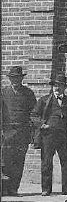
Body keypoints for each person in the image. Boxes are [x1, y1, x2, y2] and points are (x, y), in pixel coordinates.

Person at [32, 72, 67, 196]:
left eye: (60, 85)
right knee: (46, 162)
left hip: (64, 136)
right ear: (52, 87)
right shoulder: (44, 100)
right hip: (48, 136)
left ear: (64, 87)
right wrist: (42, 124)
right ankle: (46, 189)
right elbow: (34, 115)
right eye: (55, 85)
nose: (57, 88)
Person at [1, 65, 37, 196]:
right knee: (5, 161)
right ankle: (3, 189)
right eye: (13, 78)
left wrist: (33, 133)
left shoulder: (28, 93)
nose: (15, 80)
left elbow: (34, 113)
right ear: (10, 79)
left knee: (18, 161)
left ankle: (14, 189)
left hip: (22, 132)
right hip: (7, 131)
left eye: (18, 78)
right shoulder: (3, 93)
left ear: (21, 79)